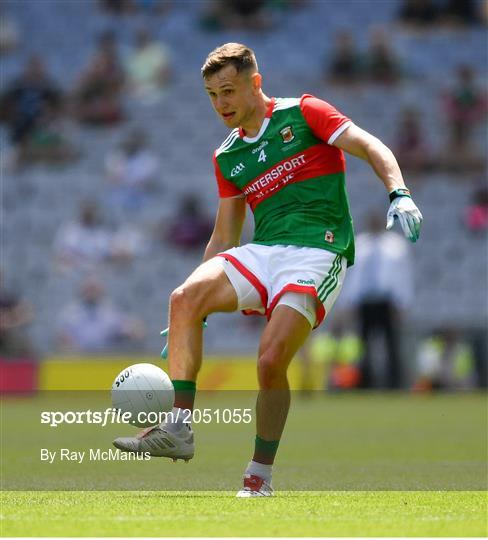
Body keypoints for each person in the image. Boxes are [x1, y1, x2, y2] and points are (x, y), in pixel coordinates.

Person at [113, 43, 423, 496]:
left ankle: (259, 476)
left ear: (255, 83)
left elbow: (370, 144)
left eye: (228, 90)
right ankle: (177, 428)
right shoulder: (227, 157)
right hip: (265, 251)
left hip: (318, 250)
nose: (221, 104)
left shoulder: (305, 113)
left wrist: (399, 192)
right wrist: (191, 309)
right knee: (182, 297)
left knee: (270, 361)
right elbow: (224, 238)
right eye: (212, 95)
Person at [340, 212, 414, 389]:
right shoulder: (360, 243)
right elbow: (353, 276)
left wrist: (403, 302)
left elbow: (403, 276)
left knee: (391, 343)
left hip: (387, 301)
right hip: (365, 301)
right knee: (363, 345)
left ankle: (395, 383)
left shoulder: (396, 245)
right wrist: (348, 301)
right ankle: (364, 382)